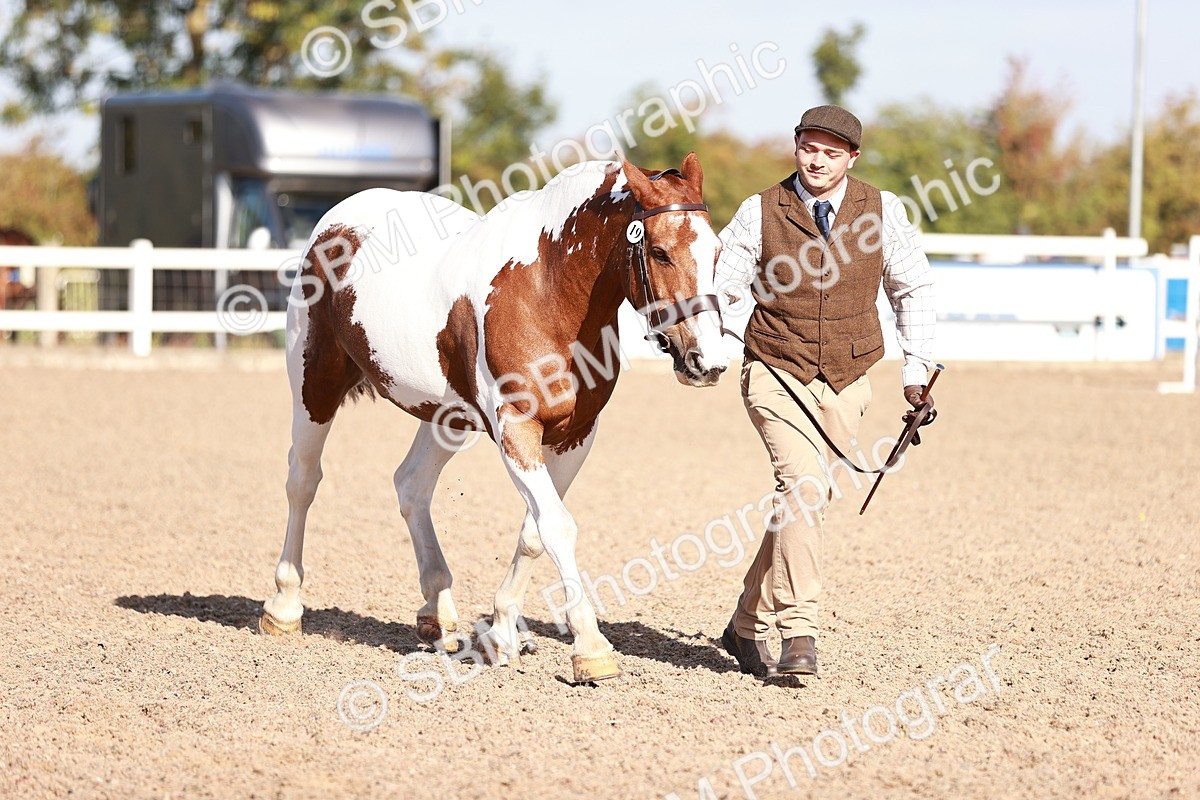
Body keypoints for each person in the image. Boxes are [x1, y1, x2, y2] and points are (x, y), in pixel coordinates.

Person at [714, 104, 936, 677]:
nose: (817, 160)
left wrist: (917, 371)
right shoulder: (759, 209)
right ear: (796, 146)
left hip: (850, 377)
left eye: (831, 153)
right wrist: (735, 332)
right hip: (774, 371)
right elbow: (724, 285)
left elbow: (912, 288)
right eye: (809, 148)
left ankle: (743, 624)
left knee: (801, 501)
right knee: (805, 487)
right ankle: (799, 632)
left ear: (852, 158)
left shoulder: (883, 210)